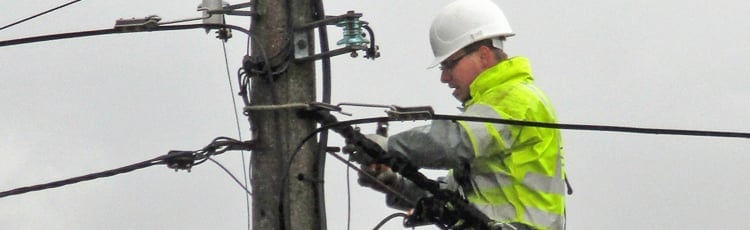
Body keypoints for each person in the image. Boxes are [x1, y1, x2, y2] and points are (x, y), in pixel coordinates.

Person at [358, 0, 567, 229]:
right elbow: (452, 193)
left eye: (449, 64)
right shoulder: (490, 107)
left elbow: (454, 142)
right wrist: (396, 184)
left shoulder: (515, 98)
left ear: (484, 56)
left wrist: (387, 147)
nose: (444, 77)